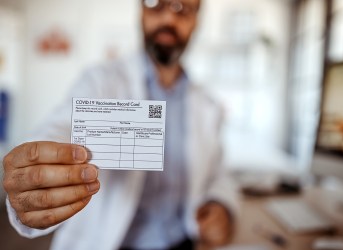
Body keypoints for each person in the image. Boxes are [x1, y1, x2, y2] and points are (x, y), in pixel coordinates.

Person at [2, 0, 239, 249]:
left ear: (196, 20)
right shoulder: (99, 82)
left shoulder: (207, 103)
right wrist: (33, 173)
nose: (169, 18)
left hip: (184, 242)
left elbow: (219, 172)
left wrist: (221, 204)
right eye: (156, 4)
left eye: (183, 8)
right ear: (141, 12)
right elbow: (58, 131)